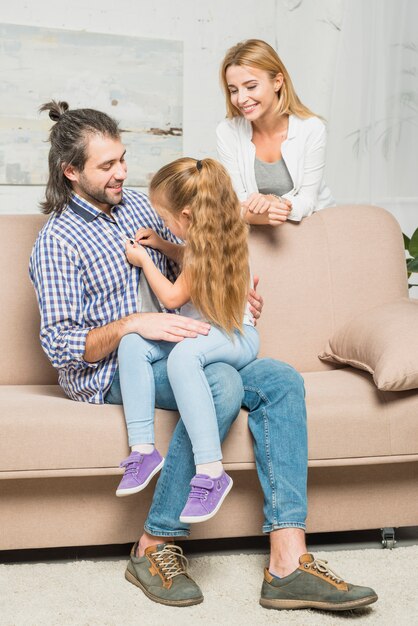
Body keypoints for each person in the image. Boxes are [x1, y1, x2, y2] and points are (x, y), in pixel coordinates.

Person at [29, 100, 377, 612]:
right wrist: (133, 324)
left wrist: (230, 296)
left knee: (279, 378)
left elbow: (196, 257)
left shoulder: (142, 208)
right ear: (71, 171)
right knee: (221, 384)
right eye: (107, 166)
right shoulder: (56, 241)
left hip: (182, 340)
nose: (122, 172)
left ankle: (287, 561)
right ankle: (153, 545)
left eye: (123, 158)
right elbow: (61, 346)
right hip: (115, 368)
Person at [115, 157, 259, 526]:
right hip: (204, 332)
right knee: (132, 341)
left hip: (234, 335)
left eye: (166, 220)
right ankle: (143, 450)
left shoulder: (207, 247)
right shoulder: (206, 236)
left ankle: (211, 471)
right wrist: (164, 243)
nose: (165, 225)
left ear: (186, 216)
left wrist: (145, 259)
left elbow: (173, 298)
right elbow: (190, 260)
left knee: (183, 359)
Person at [217, 39, 335, 226]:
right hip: (260, 231)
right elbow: (238, 204)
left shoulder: (312, 128)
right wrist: (263, 211)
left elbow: (307, 201)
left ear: (277, 82)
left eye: (251, 86)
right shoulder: (228, 132)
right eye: (233, 90)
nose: (241, 99)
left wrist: (276, 202)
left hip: (313, 227)